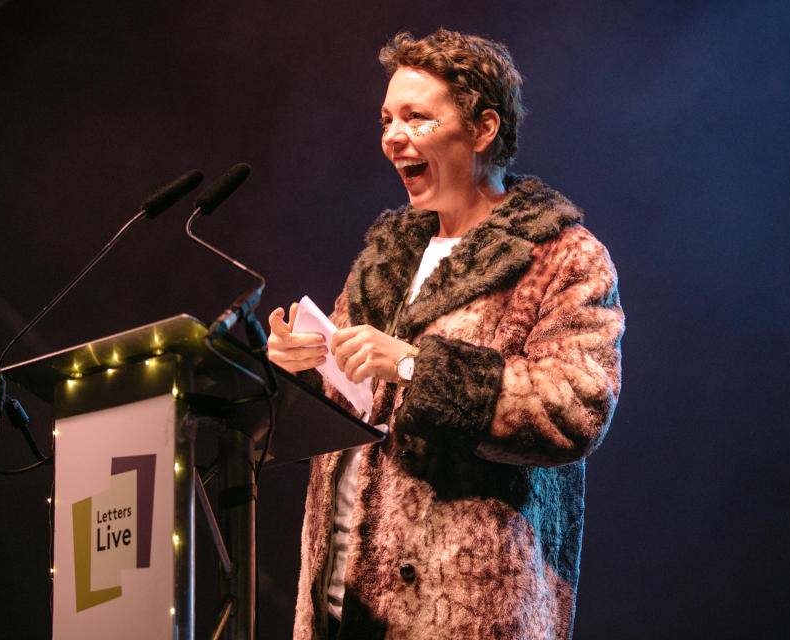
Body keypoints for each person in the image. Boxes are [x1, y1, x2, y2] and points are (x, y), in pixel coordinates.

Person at [267, 28, 623, 640]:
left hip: (462, 605)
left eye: (417, 118)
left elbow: (574, 408)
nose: (392, 138)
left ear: (484, 128)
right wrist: (303, 363)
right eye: (386, 120)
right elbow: (353, 402)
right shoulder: (384, 261)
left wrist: (413, 366)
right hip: (343, 601)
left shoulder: (559, 256)